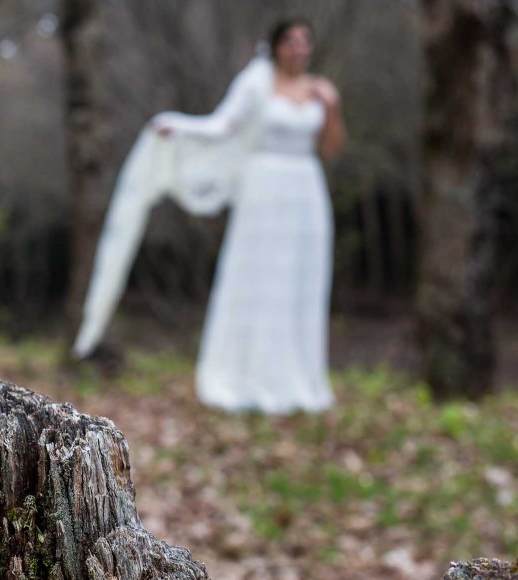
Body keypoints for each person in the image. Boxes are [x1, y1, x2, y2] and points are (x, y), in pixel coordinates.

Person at [72, 19, 344, 413]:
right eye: (291, 40)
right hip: (263, 190)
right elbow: (221, 127)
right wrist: (177, 127)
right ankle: (247, 376)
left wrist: (331, 105)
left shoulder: (319, 91)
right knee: (260, 281)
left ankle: (297, 378)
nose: (299, 47)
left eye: (305, 40)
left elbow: (332, 147)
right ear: (276, 46)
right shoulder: (257, 82)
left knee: (299, 284)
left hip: (306, 192)